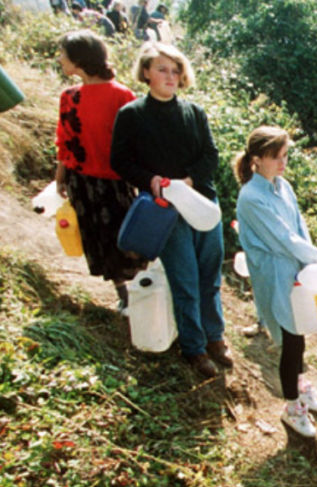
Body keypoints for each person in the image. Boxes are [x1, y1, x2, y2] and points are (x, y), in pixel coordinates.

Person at [111, 42, 230, 378]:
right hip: (165, 210)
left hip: (203, 202)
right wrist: (149, 180)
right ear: (146, 72)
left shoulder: (194, 112)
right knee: (185, 279)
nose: (170, 76)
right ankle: (193, 348)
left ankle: (215, 337)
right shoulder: (132, 115)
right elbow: (119, 161)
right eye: (162, 69)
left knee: (210, 275)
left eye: (175, 70)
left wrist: (190, 181)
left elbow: (211, 156)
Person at [234, 126, 317, 438]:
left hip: (295, 265)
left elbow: (299, 226)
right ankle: (291, 408)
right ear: (257, 159)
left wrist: (312, 257)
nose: (283, 163)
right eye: (276, 157)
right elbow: (282, 238)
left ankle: (299, 384)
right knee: (290, 338)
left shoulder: (282, 186)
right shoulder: (250, 197)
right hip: (274, 271)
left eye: (285, 155)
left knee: (299, 330)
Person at [55, 30, 145, 316]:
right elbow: (64, 140)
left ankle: (145, 293)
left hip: (117, 182)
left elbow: (136, 143)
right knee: (100, 240)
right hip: (82, 181)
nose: (60, 59)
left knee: (128, 240)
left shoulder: (122, 95)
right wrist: (61, 175)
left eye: (63, 55)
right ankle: (124, 296)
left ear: (78, 61)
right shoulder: (69, 97)